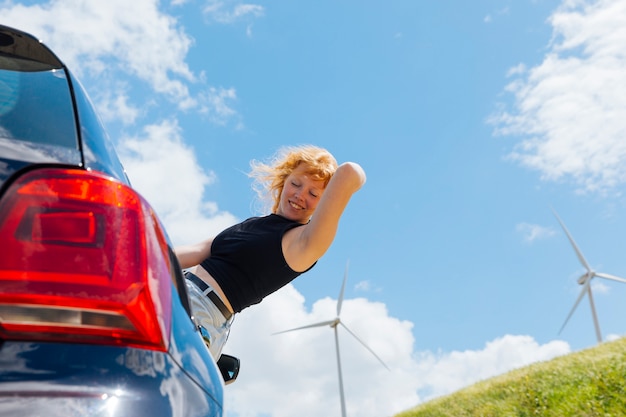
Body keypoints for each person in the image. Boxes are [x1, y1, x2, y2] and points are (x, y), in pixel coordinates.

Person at [175, 145, 366, 359]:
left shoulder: (304, 243)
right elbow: (193, 251)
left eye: (313, 193)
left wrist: (326, 166)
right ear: (284, 181)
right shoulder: (254, 225)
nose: (300, 195)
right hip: (179, 289)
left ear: (323, 203)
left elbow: (350, 172)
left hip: (200, 310)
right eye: (295, 183)